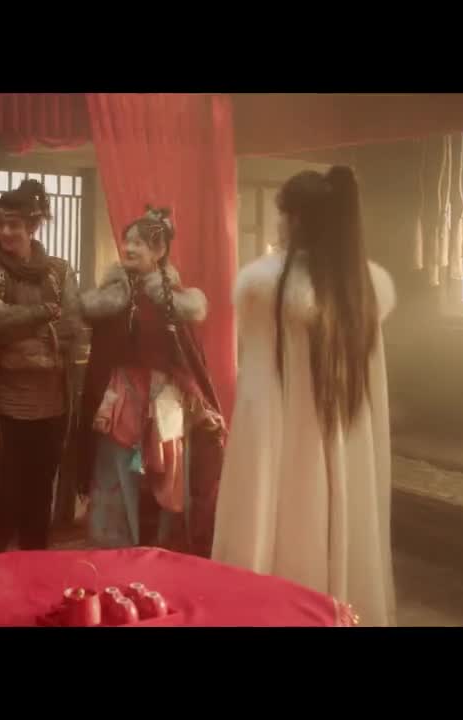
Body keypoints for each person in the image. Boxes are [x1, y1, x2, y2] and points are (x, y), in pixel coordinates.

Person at [211, 167, 397, 626]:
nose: (277, 225)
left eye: (282, 214)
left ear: (295, 219)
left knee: (278, 521)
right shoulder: (360, 287)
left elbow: (257, 392)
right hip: (342, 441)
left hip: (279, 445)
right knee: (334, 520)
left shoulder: (266, 288)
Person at [76, 207, 226, 553]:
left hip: (163, 397)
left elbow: (187, 357)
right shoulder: (112, 295)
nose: (129, 248)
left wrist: (191, 395)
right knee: (116, 466)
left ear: (159, 251)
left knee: (164, 472)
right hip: (119, 396)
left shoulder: (176, 299)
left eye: (139, 243)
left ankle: (162, 546)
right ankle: (114, 545)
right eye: (127, 241)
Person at [0, 179, 81, 555]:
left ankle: (35, 564)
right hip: (2, 401)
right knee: (2, 488)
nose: (4, 232)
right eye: (0, 223)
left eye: (14, 224)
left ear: (33, 226)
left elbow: (71, 328)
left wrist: (18, 337)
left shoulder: (60, 272)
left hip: (52, 401)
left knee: (41, 487)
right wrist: (43, 314)